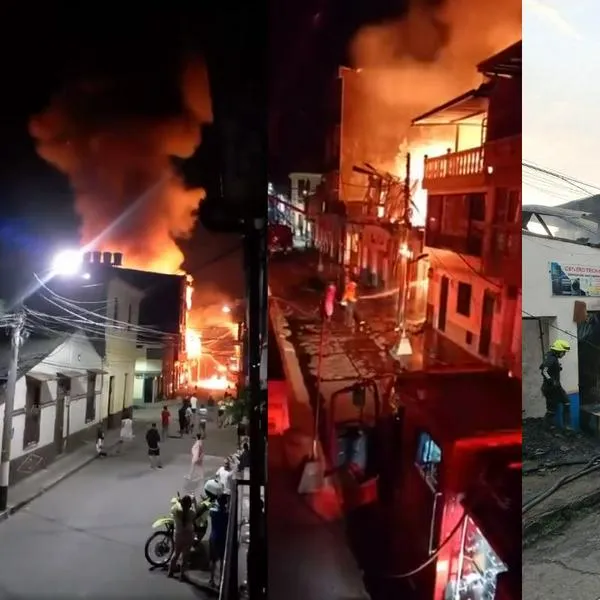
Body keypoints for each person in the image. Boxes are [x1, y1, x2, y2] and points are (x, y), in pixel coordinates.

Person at [540, 339, 572, 428]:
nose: (564, 354)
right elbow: (544, 371)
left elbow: (547, 368)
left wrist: (558, 368)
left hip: (556, 387)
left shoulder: (552, 357)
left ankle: (567, 427)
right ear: (558, 351)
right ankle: (547, 427)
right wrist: (551, 381)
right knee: (551, 410)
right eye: (563, 352)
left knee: (566, 403)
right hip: (550, 388)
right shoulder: (551, 358)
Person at [168, 494, 197, 581]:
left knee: (176, 554)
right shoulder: (191, 513)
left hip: (178, 535)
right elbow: (196, 511)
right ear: (189, 505)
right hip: (188, 535)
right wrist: (194, 501)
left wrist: (180, 500)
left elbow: (175, 506)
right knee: (185, 556)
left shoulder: (176, 510)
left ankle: (170, 571)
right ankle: (182, 575)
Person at [208, 493, 229, 588]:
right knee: (221, 559)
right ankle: (221, 580)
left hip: (213, 537)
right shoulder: (227, 514)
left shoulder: (213, 512)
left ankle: (211, 579)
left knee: (213, 559)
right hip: (223, 537)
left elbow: (211, 509)